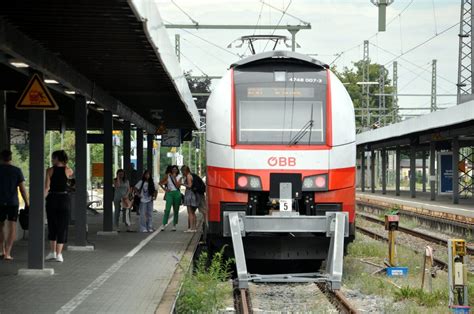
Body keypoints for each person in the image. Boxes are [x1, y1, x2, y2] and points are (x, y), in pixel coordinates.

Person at [44, 150, 73, 262]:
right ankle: (59, 254)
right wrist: (64, 164)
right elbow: (70, 173)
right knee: (62, 226)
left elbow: (47, 187)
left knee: (52, 225)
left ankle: (52, 252)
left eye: (53, 158)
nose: (52, 160)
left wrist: (42, 200)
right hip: (64, 199)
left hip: (52, 199)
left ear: (57, 158)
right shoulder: (68, 170)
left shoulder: (49, 170)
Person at [0, 150, 29, 261]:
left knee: (0, 226)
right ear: (11, 158)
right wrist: (27, 203)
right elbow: (22, 189)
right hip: (12, 202)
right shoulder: (16, 171)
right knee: (12, 227)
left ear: (1, 158)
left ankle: (1, 250)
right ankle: (8, 252)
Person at [159, 165, 181, 231]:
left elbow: (177, 186)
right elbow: (160, 183)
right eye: (173, 169)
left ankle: (174, 225)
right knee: (167, 209)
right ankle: (164, 224)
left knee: (176, 210)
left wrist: (174, 178)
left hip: (177, 193)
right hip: (169, 194)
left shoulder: (179, 177)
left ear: (177, 170)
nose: (174, 170)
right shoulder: (168, 176)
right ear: (171, 170)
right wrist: (165, 189)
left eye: (175, 169)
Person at [181, 166, 198, 232]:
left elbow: (190, 186)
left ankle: (191, 228)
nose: (182, 173)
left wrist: (182, 184)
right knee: (193, 212)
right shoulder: (191, 175)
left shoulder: (188, 176)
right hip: (193, 194)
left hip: (189, 194)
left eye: (182, 171)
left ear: (185, 171)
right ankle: (194, 228)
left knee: (190, 212)